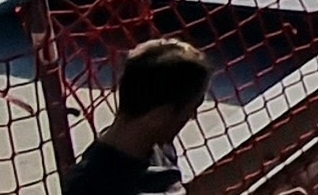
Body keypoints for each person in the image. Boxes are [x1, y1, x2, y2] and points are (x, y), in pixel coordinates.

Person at [67, 39, 212, 195]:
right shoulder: (92, 186)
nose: (193, 117)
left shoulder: (158, 148)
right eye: (190, 110)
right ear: (158, 116)